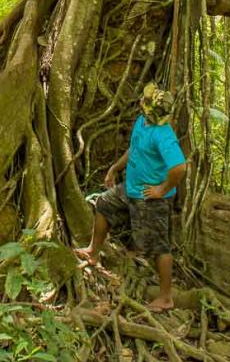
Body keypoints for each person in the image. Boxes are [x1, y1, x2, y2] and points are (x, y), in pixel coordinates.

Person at [74, 82, 189, 312]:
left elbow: (179, 167)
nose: (140, 101)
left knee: (158, 247)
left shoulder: (163, 134)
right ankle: (93, 252)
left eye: (145, 101)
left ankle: (166, 297)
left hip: (150, 198)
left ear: (150, 109)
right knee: (104, 203)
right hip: (130, 188)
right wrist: (115, 168)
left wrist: (161, 190)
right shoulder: (142, 122)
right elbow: (134, 149)